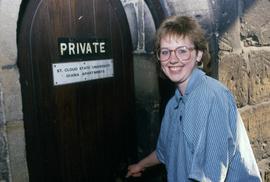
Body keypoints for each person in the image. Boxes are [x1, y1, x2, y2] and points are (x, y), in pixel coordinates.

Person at [126, 16, 262, 182]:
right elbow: (165, 152)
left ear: (198, 54)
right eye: (165, 52)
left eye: (182, 50)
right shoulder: (174, 104)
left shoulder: (211, 96)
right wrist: (141, 165)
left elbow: (209, 177)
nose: (173, 59)